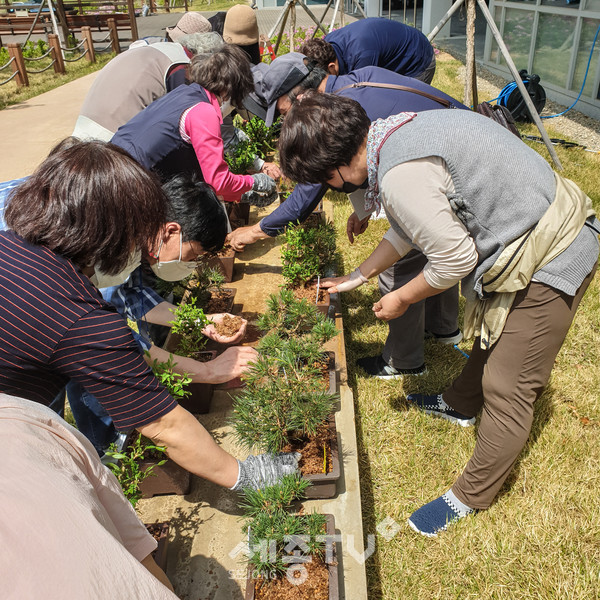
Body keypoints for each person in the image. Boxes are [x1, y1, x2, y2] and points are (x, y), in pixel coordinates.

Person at [278, 91, 599, 536]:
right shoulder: (391, 134)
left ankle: (471, 494)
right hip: (531, 226)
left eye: (323, 182)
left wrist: (403, 297)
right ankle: (459, 404)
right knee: (493, 341)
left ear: (335, 171)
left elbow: (455, 259)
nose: (331, 191)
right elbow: (411, 225)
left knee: (508, 384)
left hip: (554, 251)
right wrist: (358, 275)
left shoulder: (397, 176)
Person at [0, 140, 298, 492]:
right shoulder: (72, 312)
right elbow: (163, 424)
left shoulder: (28, 227)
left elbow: (126, 324)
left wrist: (201, 343)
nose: (138, 249)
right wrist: (247, 475)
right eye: (133, 236)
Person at [230, 52, 466, 378]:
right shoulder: (349, 89)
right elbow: (362, 162)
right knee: (429, 239)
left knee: (398, 269)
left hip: (455, 166)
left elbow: (308, 195)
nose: (286, 118)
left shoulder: (334, 122)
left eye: (283, 110)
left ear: (300, 94)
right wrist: (365, 206)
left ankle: (404, 361)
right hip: (455, 146)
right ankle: (444, 329)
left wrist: (257, 230)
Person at [0, 393, 178, 598]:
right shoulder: (24, 416)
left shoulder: (22, 416)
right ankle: (105, 447)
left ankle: (106, 447)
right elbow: (136, 545)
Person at [111, 44, 278, 206]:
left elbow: (199, 173)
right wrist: (254, 181)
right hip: (128, 184)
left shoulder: (184, 93)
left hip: (111, 165)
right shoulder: (203, 112)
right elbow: (217, 181)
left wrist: (240, 195)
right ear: (228, 90)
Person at [73, 31, 222, 142]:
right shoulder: (180, 66)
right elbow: (183, 121)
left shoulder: (161, 48)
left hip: (85, 123)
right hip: (115, 137)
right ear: (204, 57)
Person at [300, 18, 436, 83]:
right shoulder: (329, 43)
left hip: (418, 60)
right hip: (391, 54)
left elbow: (364, 98)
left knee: (405, 113)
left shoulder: (362, 57)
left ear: (332, 67)